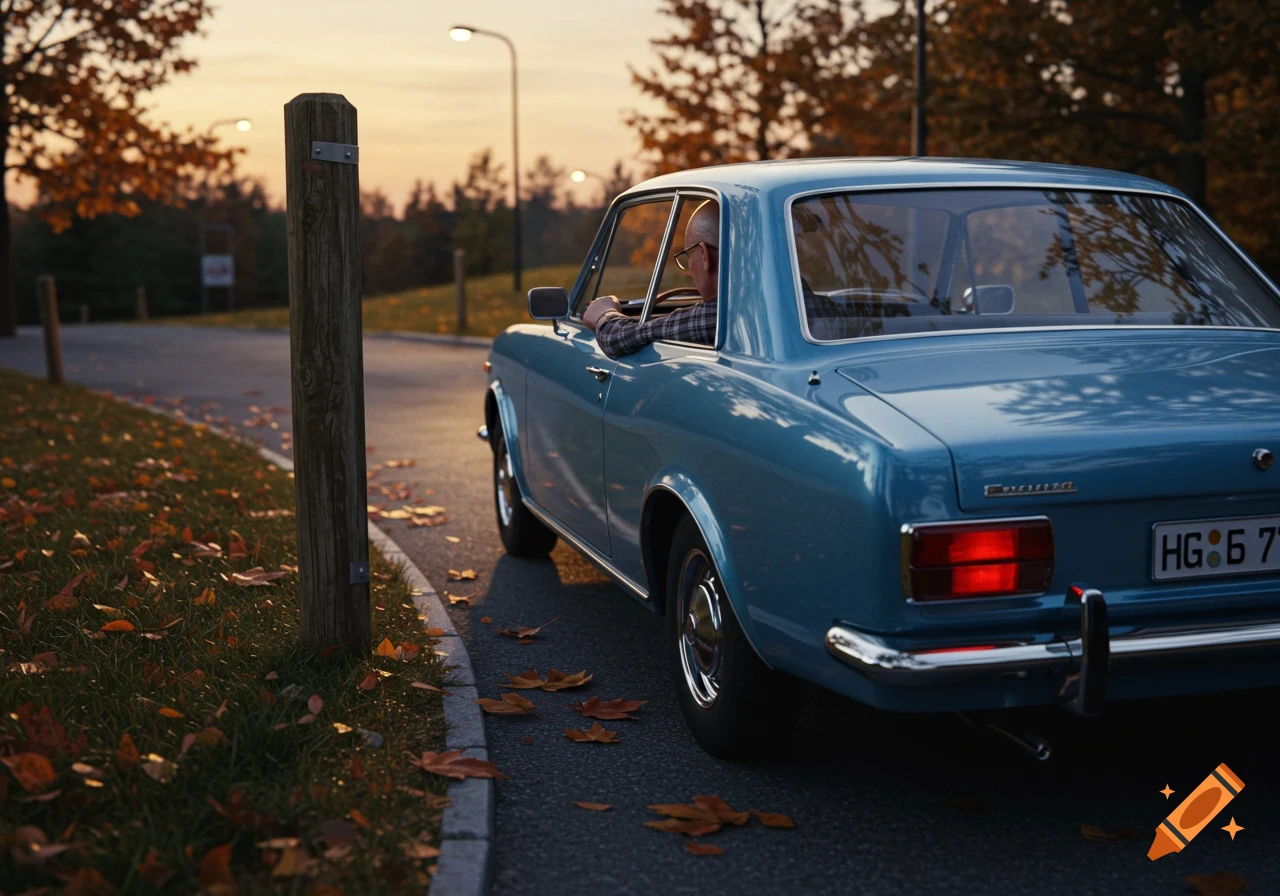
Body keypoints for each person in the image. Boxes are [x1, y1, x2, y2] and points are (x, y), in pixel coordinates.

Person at [583, 199, 719, 359]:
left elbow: (618, 338)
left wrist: (604, 314)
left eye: (688, 254)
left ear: (704, 256)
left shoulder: (721, 316)